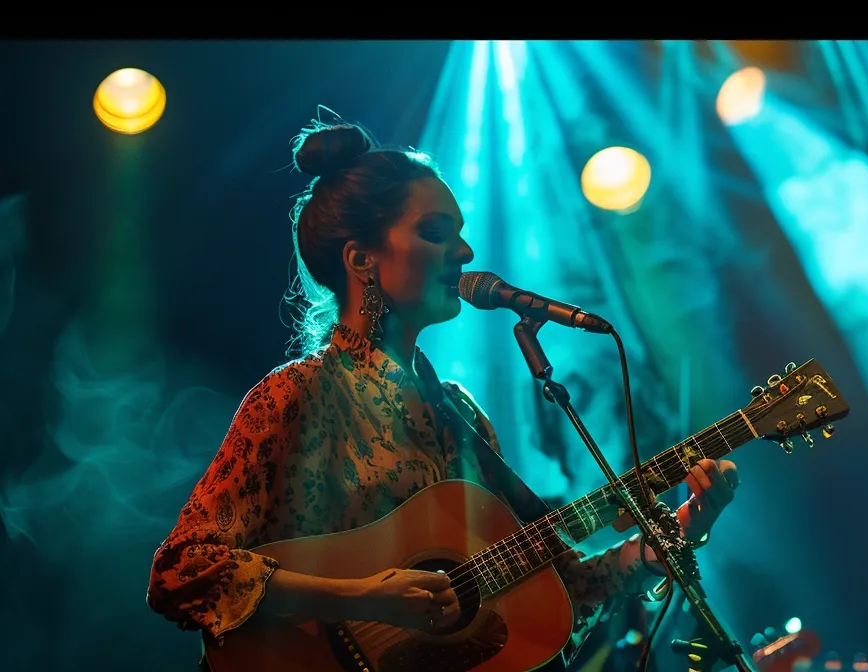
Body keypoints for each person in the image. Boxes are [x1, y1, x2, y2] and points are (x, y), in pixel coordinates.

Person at [145, 119, 740, 669]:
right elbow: (183, 571)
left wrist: (685, 527)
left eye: (460, 233)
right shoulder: (295, 397)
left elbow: (562, 599)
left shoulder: (460, 416)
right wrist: (363, 599)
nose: (466, 253)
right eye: (436, 233)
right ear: (362, 260)